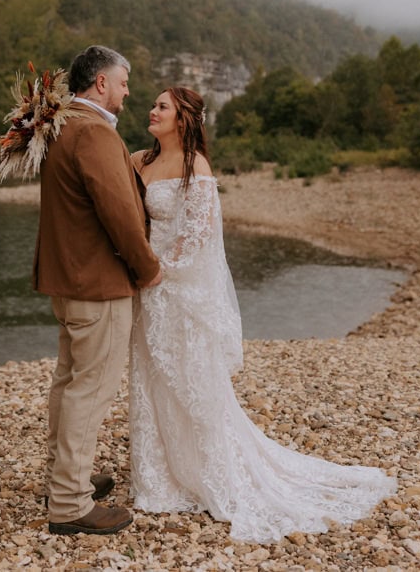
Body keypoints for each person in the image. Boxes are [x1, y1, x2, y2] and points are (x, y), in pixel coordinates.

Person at [129, 86, 397, 544]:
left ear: (185, 118)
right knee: (152, 377)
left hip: (174, 288)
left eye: (162, 107)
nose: (151, 111)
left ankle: (208, 476)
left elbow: (198, 238)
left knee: (193, 381)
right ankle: (159, 480)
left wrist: (156, 271)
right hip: (145, 290)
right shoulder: (139, 161)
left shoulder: (198, 169)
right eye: (152, 104)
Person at [32, 46, 161, 536]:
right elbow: (120, 215)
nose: (129, 92)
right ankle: (69, 503)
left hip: (66, 282)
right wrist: (147, 268)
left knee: (68, 383)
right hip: (98, 286)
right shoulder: (94, 133)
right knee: (89, 389)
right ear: (101, 83)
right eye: (124, 82)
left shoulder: (59, 128)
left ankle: (62, 477)